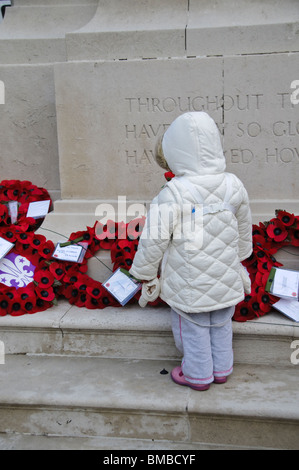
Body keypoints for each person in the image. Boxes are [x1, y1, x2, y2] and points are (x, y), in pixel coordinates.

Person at [129, 112, 252, 391]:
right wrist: (241, 255)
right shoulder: (234, 184)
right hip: (225, 275)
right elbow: (244, 228)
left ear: (176, 151)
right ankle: (221, 369)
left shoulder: (174, 192)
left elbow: (154, 238)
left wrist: (145, 272)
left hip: (189, 281)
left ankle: (197, 374)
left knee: (192, 328)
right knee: (221, 323)